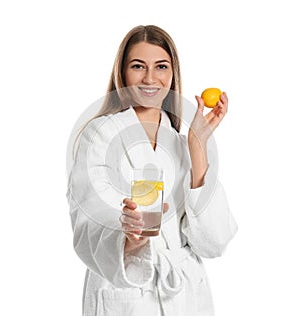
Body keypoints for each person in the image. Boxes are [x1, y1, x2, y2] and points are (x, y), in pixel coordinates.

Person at [66, 25, 237, 316]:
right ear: (122, 73)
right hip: (127, 294)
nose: (149, 78)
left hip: (185, 296)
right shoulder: (98, 136)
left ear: (173, 74)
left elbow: (214, 242)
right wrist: (129, 238)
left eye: (161, 67)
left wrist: (197, 147)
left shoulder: (182, 144)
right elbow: (87, 223)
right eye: (137, 66)